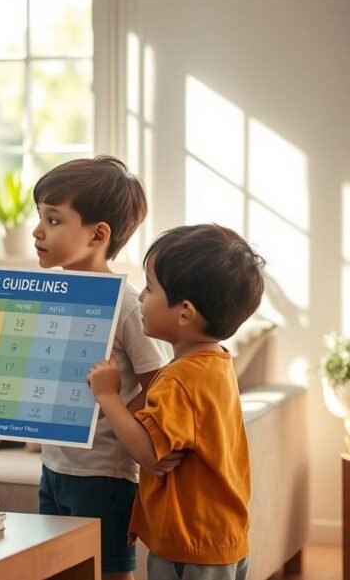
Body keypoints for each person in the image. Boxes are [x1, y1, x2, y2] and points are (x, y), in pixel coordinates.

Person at [31, 156, 177, 580]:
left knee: (109, 571)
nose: (38, 232)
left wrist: (117, 416)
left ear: (98, 234)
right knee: (59, 567)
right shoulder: (52, 295)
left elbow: (160, 383)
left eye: (54, 220)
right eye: (39, 218)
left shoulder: (128, 304)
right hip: (55, 464)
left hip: (105, 474)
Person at [88, 224, 262, 580]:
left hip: (190, 546)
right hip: (221, 536)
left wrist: (108, 396)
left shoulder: (179, 379)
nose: (140, 298)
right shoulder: (216, 363)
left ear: (185, 313)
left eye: (150, 288)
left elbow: (150, 454)